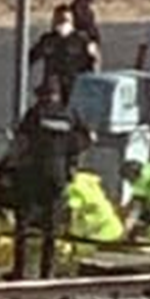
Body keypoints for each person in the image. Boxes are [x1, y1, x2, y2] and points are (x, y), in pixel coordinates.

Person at [10, 82, 94, 279]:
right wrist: (69, 157)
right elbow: (87, 139)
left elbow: (21, 142)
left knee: (23, 224)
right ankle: (47, 272)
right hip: (58, 174)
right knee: (51, 228)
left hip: (32, 174)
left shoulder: (35, 114)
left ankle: (19, 270)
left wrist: (12, 165)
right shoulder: (70, 114)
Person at [29, 4, 100, 103]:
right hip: (53, 88)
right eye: (59, 20)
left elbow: (94, 60)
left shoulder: (82, 40)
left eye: (65, 20)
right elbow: (29, 58)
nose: (62, 24)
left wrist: (91, 84)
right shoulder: (48, 41)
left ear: (72, 22)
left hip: (76, 87)